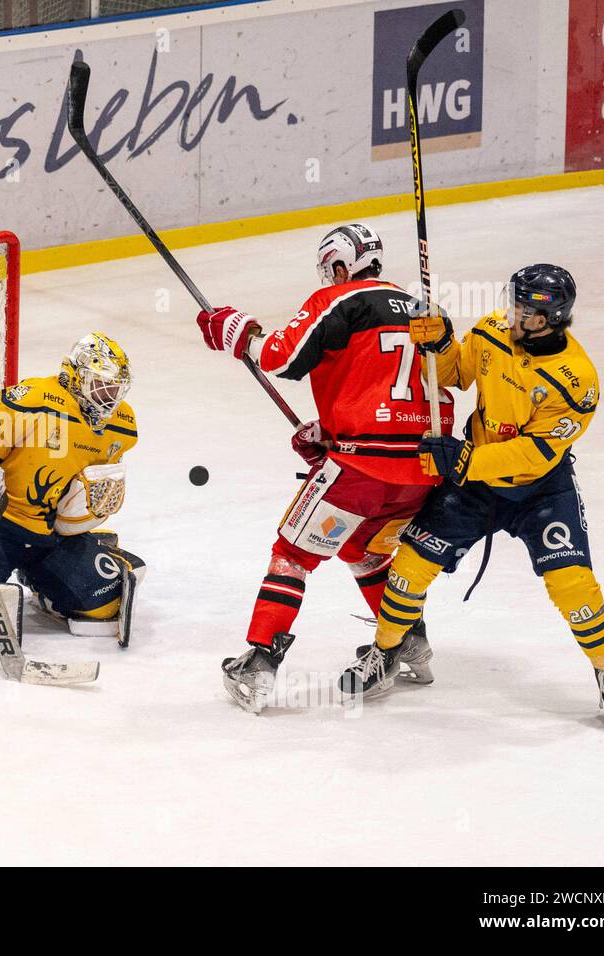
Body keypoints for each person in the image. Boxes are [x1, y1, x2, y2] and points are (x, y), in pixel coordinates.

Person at [339, 264, 604, 716]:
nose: (510, 310)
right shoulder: (493, 331)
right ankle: (386, 651)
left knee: (572, 583)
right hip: (474, 487)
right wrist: (437, 344)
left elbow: (535, 454)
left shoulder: (578, 380)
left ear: (547, 317)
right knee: (409, 568)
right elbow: (454, 373)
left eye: (521, 306)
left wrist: (465, 461)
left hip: (540, 493)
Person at [197, 223, 452, 713]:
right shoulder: (428, 312)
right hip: (421, 470)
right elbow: (418, 391)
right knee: (363, 546)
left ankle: (259, 665)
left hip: (361, 471)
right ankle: (410, 640)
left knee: (293, 553)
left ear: (340, 266)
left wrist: (241, 334)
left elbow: (280, 356)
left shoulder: (341, 300)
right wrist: (336, 432)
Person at [0, 332, 143, 645]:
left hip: (49, 537)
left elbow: (90, 481)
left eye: (116, 388)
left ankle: (43, 583)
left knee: (103, 605)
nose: (110, 397)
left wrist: (85, 510)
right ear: (76, 376)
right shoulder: (32, 401)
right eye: (102, 385)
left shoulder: (122, 423)